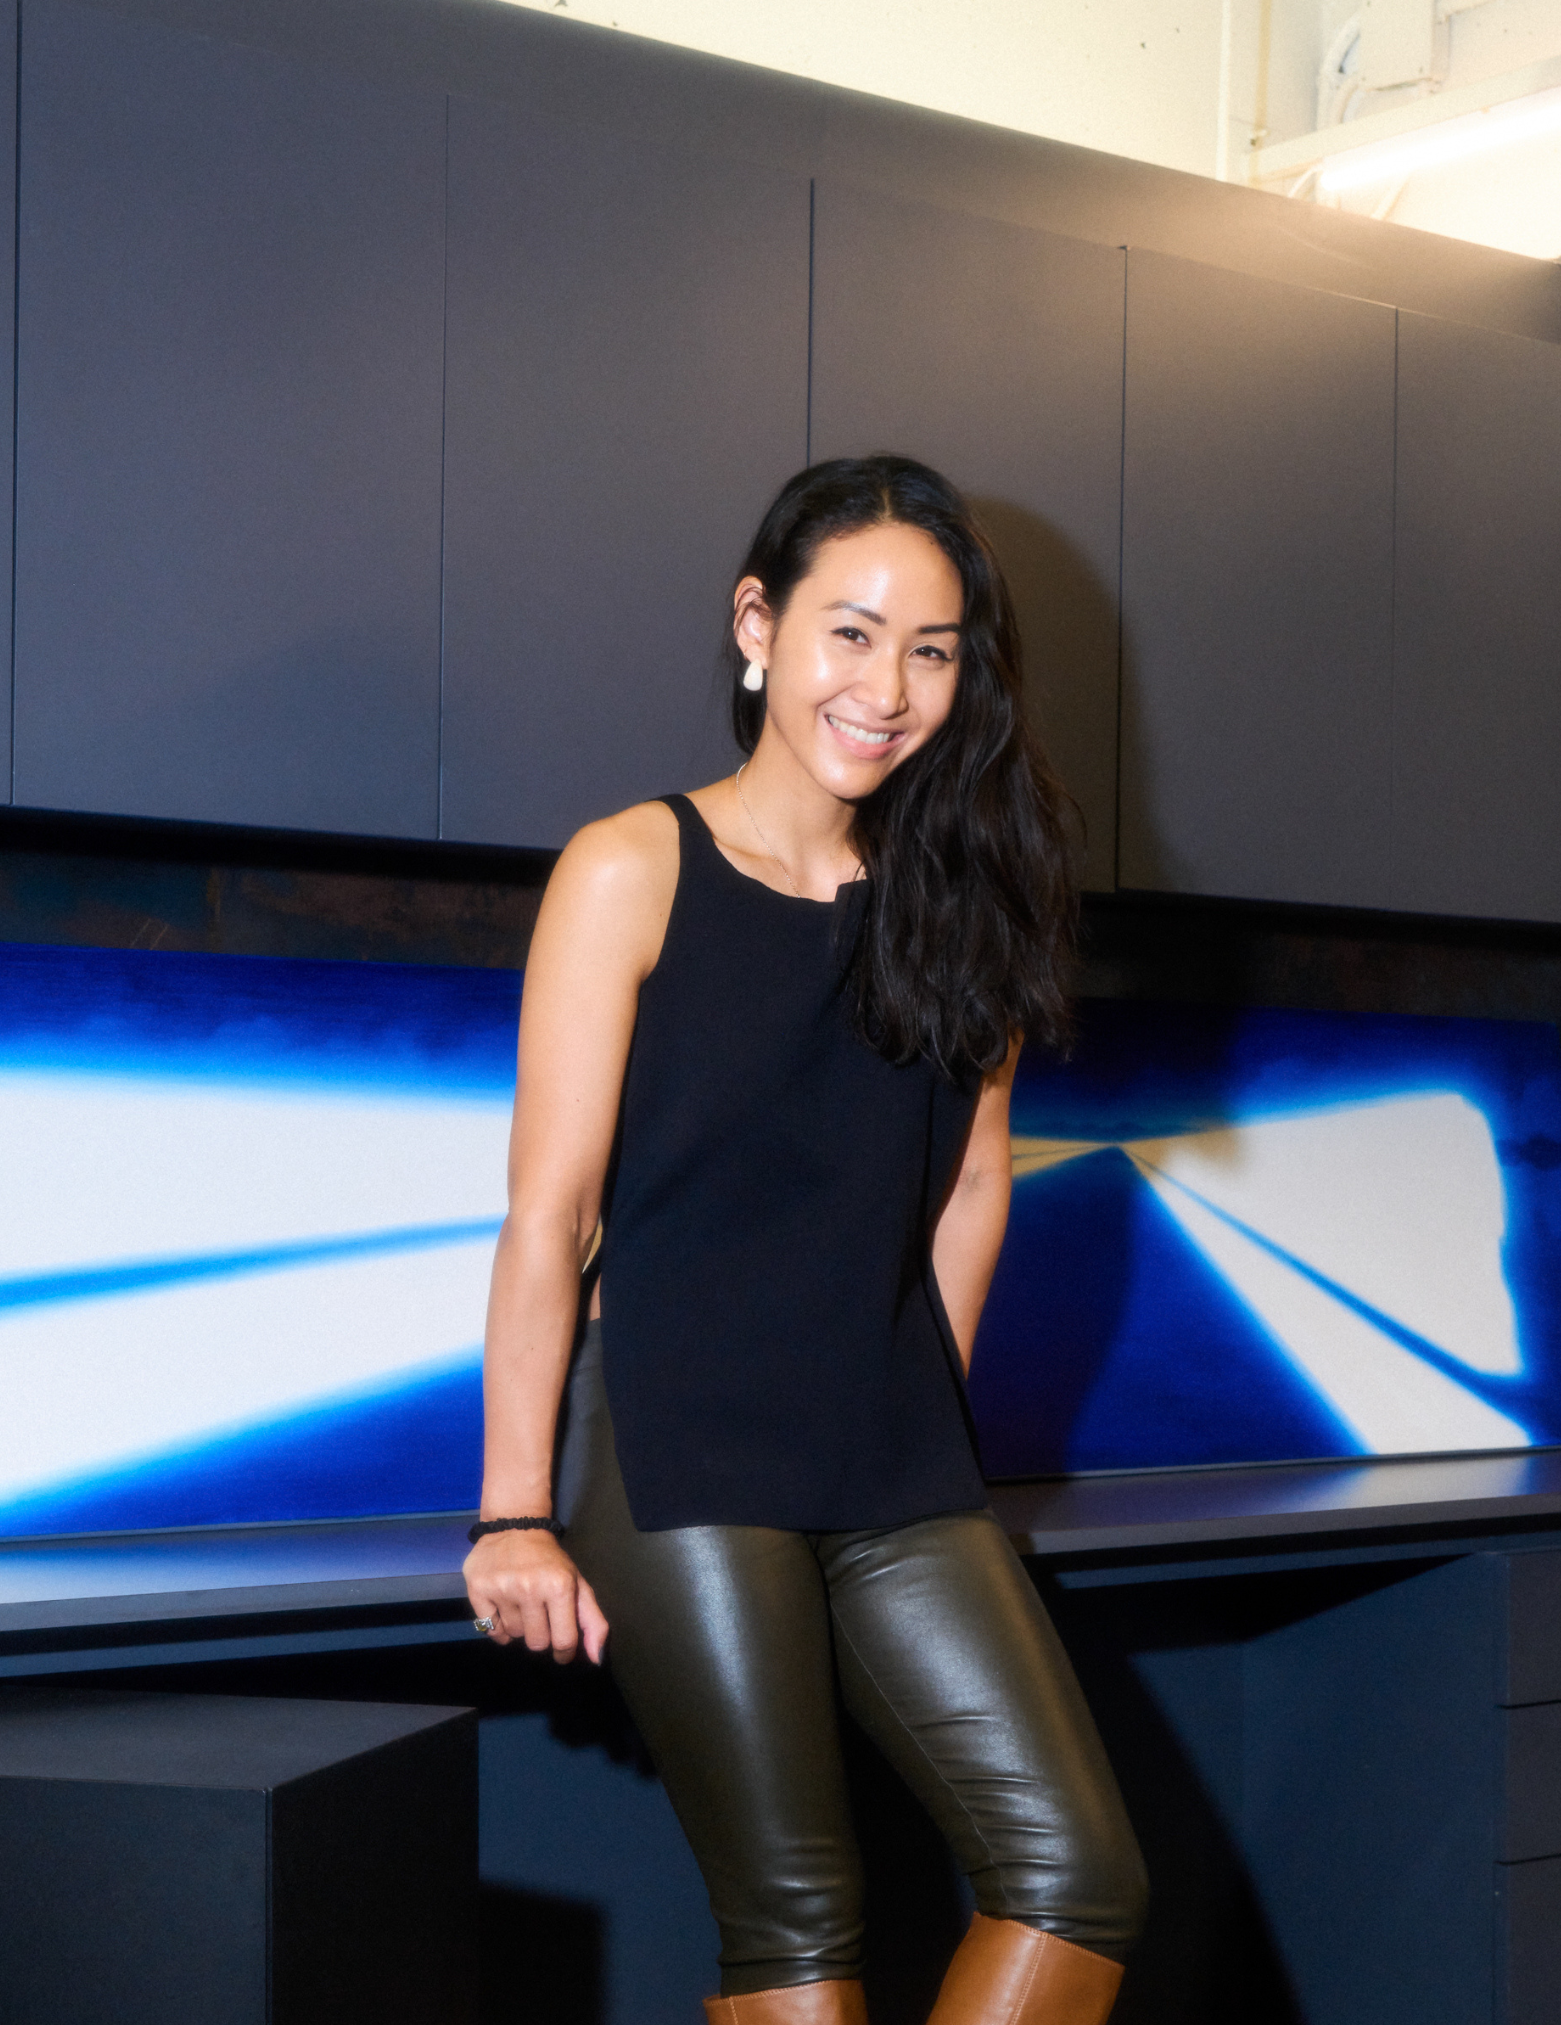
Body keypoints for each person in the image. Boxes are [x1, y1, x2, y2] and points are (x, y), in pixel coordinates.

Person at [462, 456, 1149, 2025]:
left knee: (1080, 1876)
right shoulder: (633, 867)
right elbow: (549, 1215)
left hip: (891, 1457)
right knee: (798, 1924)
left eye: (933, 649)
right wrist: (511, 1510)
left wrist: (927, 1404)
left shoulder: (964, 891)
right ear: (758, 627)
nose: (889, 687)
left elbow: (975, 1187)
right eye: (853, 632)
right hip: (682, 1449)